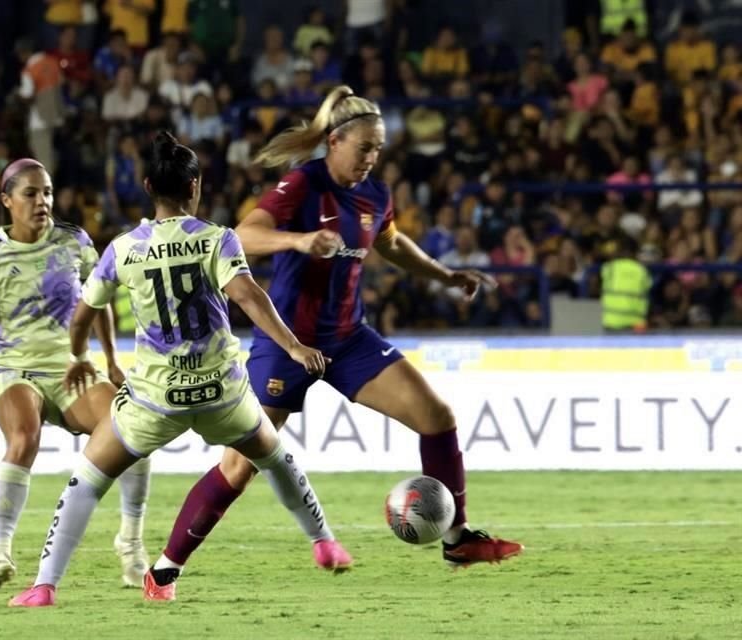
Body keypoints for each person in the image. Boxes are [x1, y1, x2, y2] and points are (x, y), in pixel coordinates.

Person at [161, 85, 524, 571]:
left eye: (378, 148)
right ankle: (166, 567)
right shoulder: (302, 185)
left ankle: (457, 538)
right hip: (288, 343)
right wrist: (301, 239)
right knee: (239, 464)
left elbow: (391, 245)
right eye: (364, 147)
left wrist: (444, 275)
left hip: (351, 340)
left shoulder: (375, 194)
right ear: (335, 142)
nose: (372, 157)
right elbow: (243, 235)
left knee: (437, 416)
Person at [8, 132, 351, 607]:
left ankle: (44, 586)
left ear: (148, 185)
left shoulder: (124, 248)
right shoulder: (216, 239)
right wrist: (292, 347)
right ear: (196, 186)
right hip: (221, 393)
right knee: (273, 457)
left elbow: (82, 314)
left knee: (87, 479)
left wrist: (83, 356)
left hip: (154, 400)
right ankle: (324, 541)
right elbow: (248, 296)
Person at [0, 158, 152, 589]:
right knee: (24, 438)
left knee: (134, 431)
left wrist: (112, 361)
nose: (42, 201)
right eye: (30, 193)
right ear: (7, 201)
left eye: (46, 192)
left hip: (72, 368)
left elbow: (96, 303)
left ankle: (131, 543)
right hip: (17, 369)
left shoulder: (75, 242)